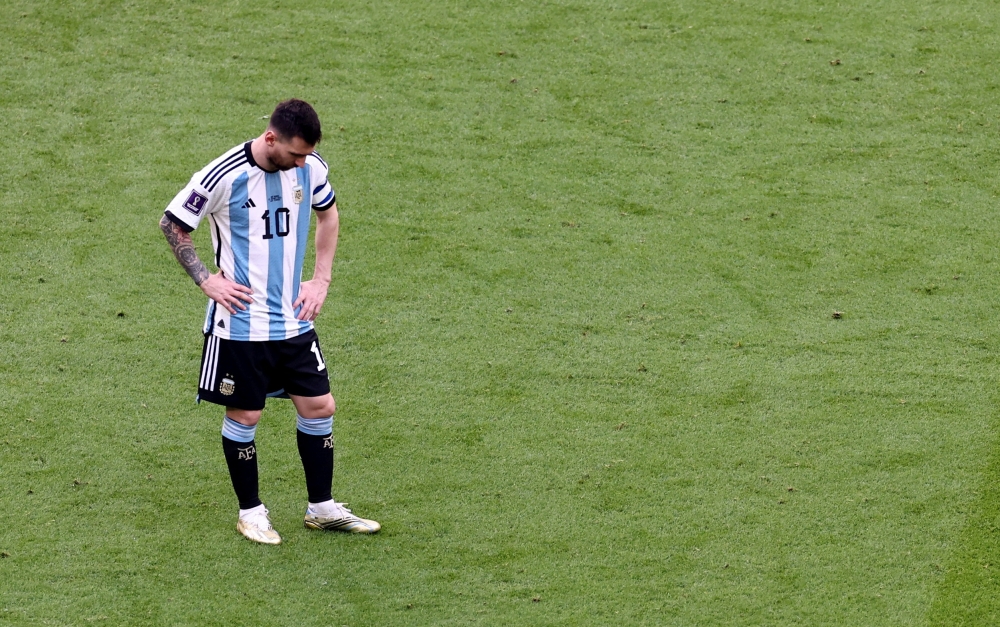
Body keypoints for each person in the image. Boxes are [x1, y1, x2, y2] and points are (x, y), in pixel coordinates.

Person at [159, 98, 379, 545]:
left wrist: (321, 279)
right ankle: (251, 513)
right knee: (246, 412)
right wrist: (206, 281)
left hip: (293, 320)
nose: (304, 162)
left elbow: (328, 213)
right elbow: (173, 224)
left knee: (320, 407)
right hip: (240, 323)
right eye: (296, 153)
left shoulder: (309, 167)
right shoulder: (222, 175)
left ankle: (322, 509)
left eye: (307, 154)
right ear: (271, 137)